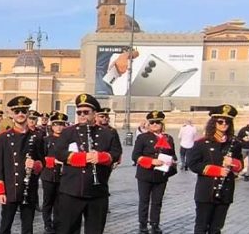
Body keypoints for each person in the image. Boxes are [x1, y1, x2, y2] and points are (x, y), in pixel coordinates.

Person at [55, 93, 122, 234]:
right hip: (71, 191)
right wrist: (82, 158)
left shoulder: (107, 133)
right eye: (79, 112)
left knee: (95, 230)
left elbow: (116, 153)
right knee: (68, 230)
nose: (82, 115)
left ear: (95, 114)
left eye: (86, 112)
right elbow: (59, 153)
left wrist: (102, 157)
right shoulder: (68, 132)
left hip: (97, 192)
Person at [187, 104, 243, 234]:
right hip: (206, 191)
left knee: (216, 228)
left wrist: (233, 162)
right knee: (201, 226)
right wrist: (216, 170)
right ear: (214, 123)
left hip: (225, 191)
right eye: (220, 121)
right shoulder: (201, 143)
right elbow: (193, 164)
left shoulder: (234, 144)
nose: (224, 124)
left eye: (227, 122)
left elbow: (240, 164)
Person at [0, 96, 44, 234]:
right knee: (5, 227)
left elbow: (42, 163)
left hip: (28, 189)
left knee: (28, 228)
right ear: (12, 114)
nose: (20, 114)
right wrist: (0, 191)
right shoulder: (3, 138)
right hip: (10, 189)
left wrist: (35, 165)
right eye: (17, 112)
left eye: (23, 111)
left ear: (28, 113)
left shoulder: (37, 137)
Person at [131, 111, 178, 234]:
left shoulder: (168, 138)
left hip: (161, 175)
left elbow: (172, 154)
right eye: (152, 123)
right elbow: (135, 156)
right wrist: (152, 161)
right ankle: (143, 223)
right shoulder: (143, 137)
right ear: (148, 124)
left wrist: (173, 161)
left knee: (157, 201)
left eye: (158, 122)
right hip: (145, 174)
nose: (155, 125)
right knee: (144, 200)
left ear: (162, 124)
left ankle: (155, 223)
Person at [40, 111, 68, 234]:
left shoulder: (68, 140)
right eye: (56, 124)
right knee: (48, 201)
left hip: (63, 176)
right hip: (49, 174)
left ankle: (58, 223)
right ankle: (47, 224)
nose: (59, 127)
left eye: (61, 124)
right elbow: (41, 157)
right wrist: (54, 161)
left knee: (60, 202)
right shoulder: (46, 140)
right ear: (52, 126)